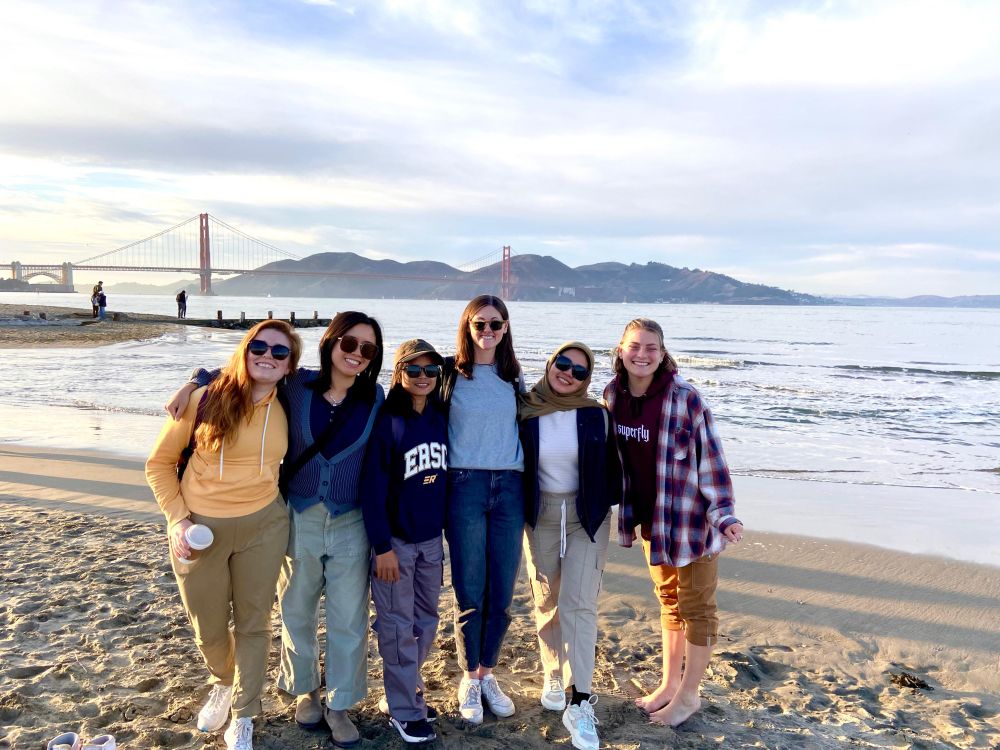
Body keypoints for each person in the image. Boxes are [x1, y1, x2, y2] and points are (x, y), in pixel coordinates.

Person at [168, 311, 385, 748]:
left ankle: (339, 703)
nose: (357, 355)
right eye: (349, 344)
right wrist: (193, 380)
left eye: (368, 349)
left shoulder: (375, 396)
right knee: (296, 612)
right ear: (331, 343)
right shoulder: (296, 386)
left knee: (349, 618)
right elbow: (248, 365)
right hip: (299, 516)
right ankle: (305, 691)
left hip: (351, 522)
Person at [146, 320, 301, 750]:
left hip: (265, 526)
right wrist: (178, 519)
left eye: (280, 352)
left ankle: (245, 711)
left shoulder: (291, 401)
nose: (268, 356)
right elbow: (158, 464)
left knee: (254, 623)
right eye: (260, 346)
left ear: (290, 365)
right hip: (198, 529)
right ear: (245, 349)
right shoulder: (202, 399)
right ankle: (224, 680)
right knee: (209, 628)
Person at [604, 318, 744, 728]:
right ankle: (668, 686)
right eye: (635, 346)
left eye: (651, 347)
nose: (642, 354)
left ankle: (688, 696)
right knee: (668, 601)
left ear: (663, 353)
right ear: (621, 349)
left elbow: (712, 460)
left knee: (697, 607)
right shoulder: (613, 395)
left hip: (691, 523)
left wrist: (724, 515)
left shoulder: (686, 399)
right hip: (652, 522)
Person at [518, 342, 622, 750]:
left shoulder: (596, 415)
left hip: (586, 517)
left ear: (588, 379)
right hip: (540, 514)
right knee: (547, 599)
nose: (569, 375)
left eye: (580, 372)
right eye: (563, 365)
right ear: (550, 365)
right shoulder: (526, 410)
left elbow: (615, 466)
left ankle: (580, 701)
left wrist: (606, 504)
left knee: (580, 604)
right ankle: (552, 674)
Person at [440, 294, 524, 724]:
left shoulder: (514, 376)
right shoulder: (448, 375)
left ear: (506, 328)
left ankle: (489, 673)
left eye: (495, 324)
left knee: (503, 593)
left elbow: (544, 418)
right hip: (464, 485)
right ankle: (469, 677)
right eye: (479, 324)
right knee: (470, 591)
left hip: (510, 487)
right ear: (467, 326)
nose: (487, 331)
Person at [361, 339, 448, 745]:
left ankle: (403, 690)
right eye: (413, 370)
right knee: (397, 627)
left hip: (432, 541)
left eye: (431, 371)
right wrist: (382, 547)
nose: (423, 378)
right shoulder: (387, 421)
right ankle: (404, 710)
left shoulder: (441, 416)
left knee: (426, 622)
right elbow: (372, 490)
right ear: (398, 373)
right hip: (395, 543)